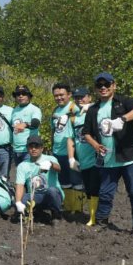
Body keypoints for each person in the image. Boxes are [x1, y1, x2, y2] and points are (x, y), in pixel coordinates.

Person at [82, 72, 133, 234]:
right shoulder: (93, 109)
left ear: (114, 85)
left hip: (128, 158)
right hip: (107, 160)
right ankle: (102, 221)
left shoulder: (123, 102)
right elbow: (86, 133)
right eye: (99, 85)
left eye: (107, 84)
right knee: (105, 193)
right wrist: (96, 145)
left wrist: (122, 119)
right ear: (96, 89)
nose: (103, 88)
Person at [67, 87, 101, 225]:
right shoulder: (74, 117)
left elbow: (107, 109)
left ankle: (95, 217)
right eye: (76, 98)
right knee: (88, 188)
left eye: (82, 97)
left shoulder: (95, 110)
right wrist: (71, 158)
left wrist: (93, 107)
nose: (79, 100)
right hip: (83, 159)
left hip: (96, 157)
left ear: (89, 97)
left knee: (95, 188)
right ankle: (92, 215)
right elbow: (70, 139)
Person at [14, 136, 63, 222]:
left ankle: (56, 213)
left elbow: (59, 169)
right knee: (20, 199)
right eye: (31, 147)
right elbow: (20, 185)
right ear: (27, 148)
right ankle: (34, 211)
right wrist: (18, 202)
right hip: (34, 196)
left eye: (36, 146)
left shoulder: (50, 159)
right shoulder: (22, 165)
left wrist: (51, 164)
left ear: (42, 148)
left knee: (52, 191)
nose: (33, 149)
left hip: (50, 195)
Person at [50, 83, 83, 214]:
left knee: (77, 181)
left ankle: (78, 209)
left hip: (72, 152)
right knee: (64, 181)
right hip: (57, 152)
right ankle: (69, 207)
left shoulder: (75, 109)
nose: (59, 98)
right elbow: (54, 131)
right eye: (56, 95)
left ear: (69, 95)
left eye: (61, 95)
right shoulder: (55, 111)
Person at [10, 85, 42, 166]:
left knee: (30, 176)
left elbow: (36, 123)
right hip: (16, 150)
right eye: (18, 94)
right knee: (20, 174)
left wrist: (25, 124)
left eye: (23, 94)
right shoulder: (14, 110)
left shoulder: (34, 109)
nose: (21, 96)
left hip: (30, 150)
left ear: (29, 96)